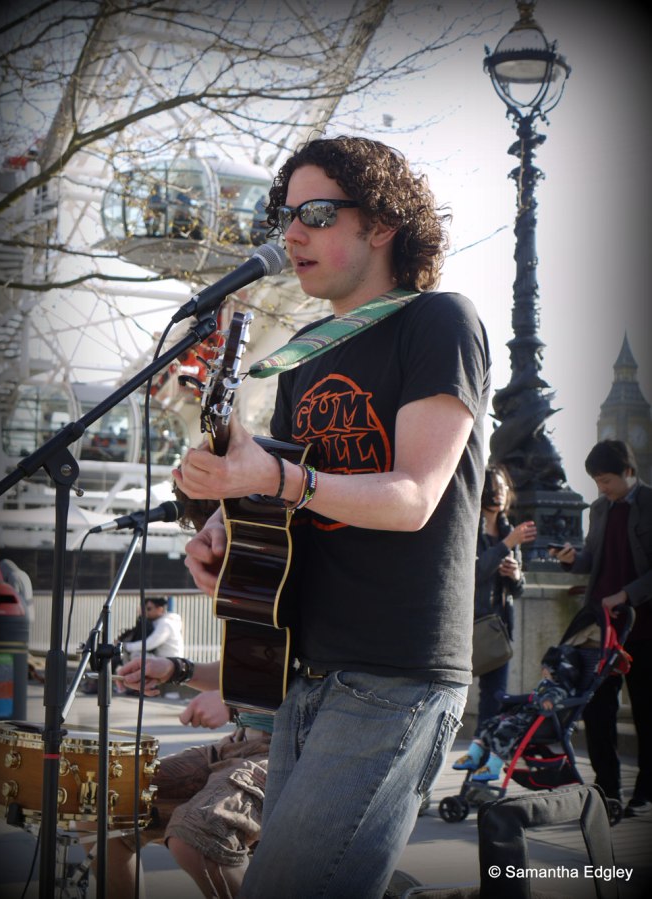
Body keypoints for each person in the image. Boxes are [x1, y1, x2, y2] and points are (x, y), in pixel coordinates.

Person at [173, 135, 492, 897]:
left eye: (314, 213)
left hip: (394, 671)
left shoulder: (438, 320)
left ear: (381, 223)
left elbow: (413, 497)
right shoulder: (304, 354)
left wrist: (275, 475)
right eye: (283, 216)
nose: (290, 234)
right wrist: (227, 527)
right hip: (304, 670)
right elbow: (287, 504)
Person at [98, 657, 271, 898]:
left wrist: (234, 700)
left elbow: (320, 680)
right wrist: (176, 669)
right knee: (106, 799)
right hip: (239, 742)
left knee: (200, 837)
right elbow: (248, 669)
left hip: (295, 751)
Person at [550, 439, 652, 817]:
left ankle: (645, 793)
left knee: (646, 712)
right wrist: (570, 558)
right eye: (596, 481)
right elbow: (592, 560)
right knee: (596, 713)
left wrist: (627, 594)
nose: (601, 488)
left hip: (643, 629)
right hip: (601, 631)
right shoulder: (598, 509)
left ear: (629, 472)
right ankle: (607, 792)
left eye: (606, 480)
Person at [453, 465, 536, 770]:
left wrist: (515, 575)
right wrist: (506, 545)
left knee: (495, 699)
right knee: (453, 695)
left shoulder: (507, 530)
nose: (499, 494)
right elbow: (471, 572)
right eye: (493, 488)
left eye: (503, 489)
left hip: (498, 629)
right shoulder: (468, 525)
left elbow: (518, 590)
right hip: (466, 627)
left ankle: (480, 762)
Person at [459, 642, 584, 782]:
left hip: (536, 725)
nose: (543, 672)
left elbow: (550, 700)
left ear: (559, 672)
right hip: (524, 719)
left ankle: (493, 767)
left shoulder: (559, 690)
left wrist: (544, 700)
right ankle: (474, 754)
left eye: (547, 669)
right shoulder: (546, 684)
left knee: (505, 730)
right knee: (490, 723)